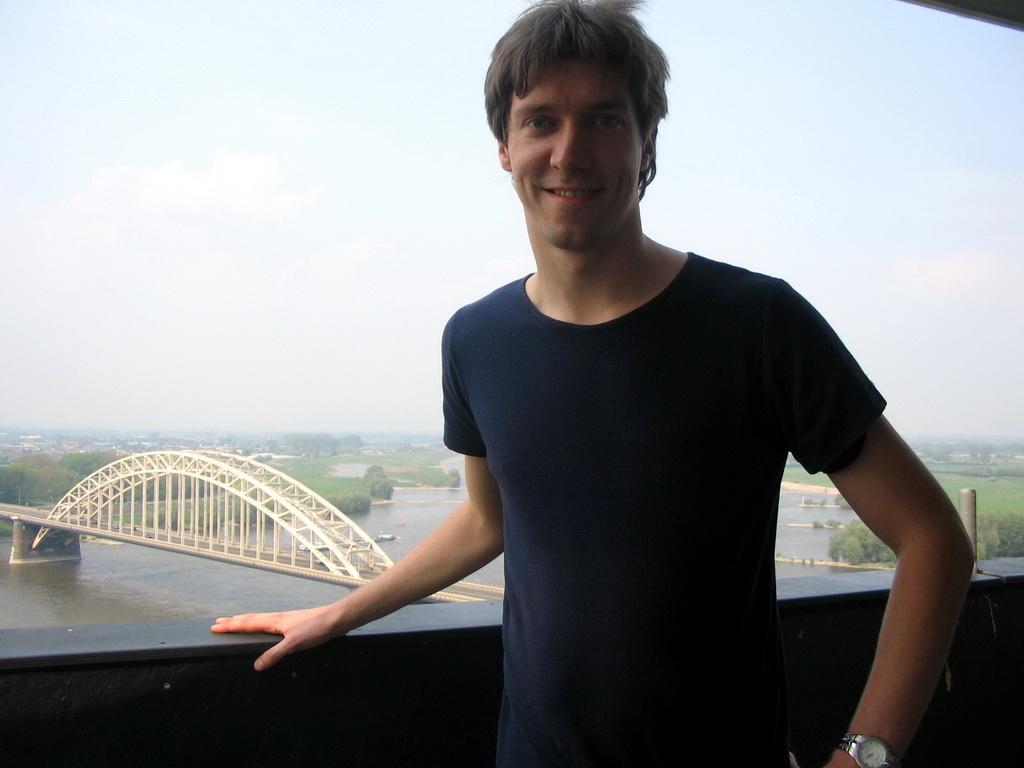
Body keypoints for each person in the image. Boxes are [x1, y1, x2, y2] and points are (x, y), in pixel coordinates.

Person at [213, 2, 975, 766]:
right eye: (540, 121)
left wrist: (864, 754)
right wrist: (341, 613)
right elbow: (489, 519)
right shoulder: (474, 339)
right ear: (504, 148)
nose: (568, 152)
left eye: (605, 120)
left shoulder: (757, 322)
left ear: (647, 143)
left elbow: (933, 539)